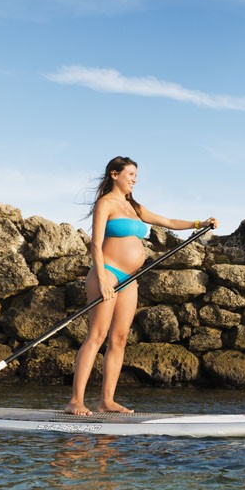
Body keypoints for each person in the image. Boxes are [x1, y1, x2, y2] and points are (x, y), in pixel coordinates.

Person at [65, 156, 217, 416]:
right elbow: (95, 243)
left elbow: (166, 222)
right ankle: (76, 401)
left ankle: (106, 401)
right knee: (97, 336)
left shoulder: (133, 207)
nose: (135, 179)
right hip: (108, 274)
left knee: (120, 339)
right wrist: (102, 278)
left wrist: (198, 224)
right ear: (115, 174)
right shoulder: (106, 203)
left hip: (129, 279)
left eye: (136, 175)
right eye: (131, 174)